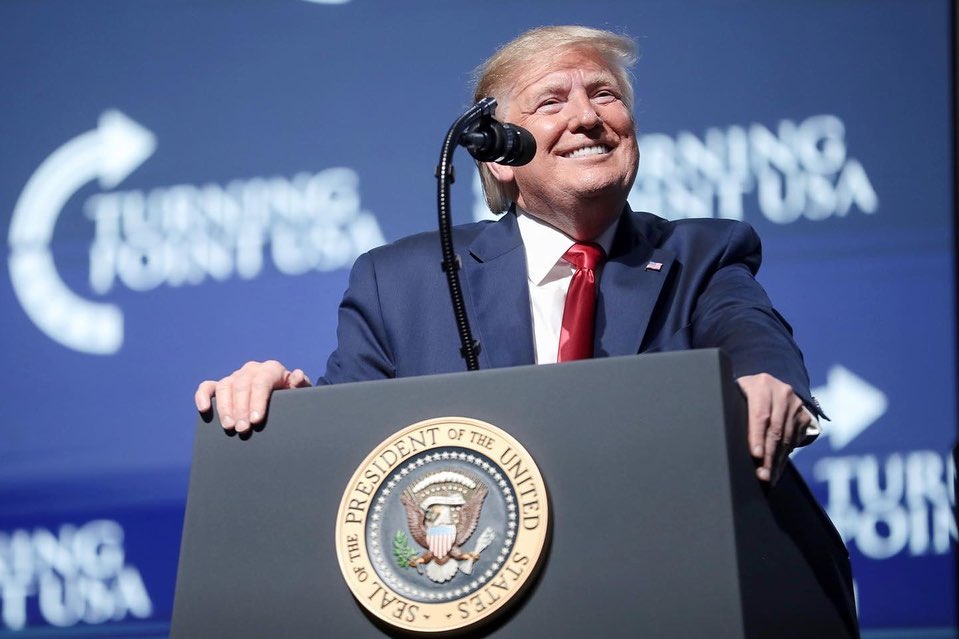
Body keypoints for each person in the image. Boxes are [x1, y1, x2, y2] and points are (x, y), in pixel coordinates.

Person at [195, 25, 819, 485]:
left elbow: (751, 335)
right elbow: (347, 437)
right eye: (552, 102)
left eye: (605, 95)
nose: (588, 118)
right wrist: (284, 406)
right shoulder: (402, 283)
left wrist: (768, 382)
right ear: (499, 154)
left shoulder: (700, 254)